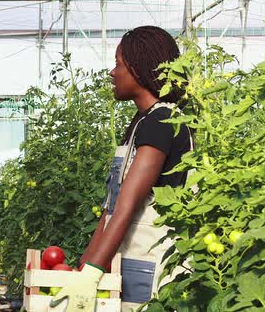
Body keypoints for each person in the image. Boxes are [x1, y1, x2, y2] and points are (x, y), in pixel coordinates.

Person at [50, 26, 193, 311]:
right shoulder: (143, 122)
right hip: (131, 262)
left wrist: (92, 272)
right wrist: (85, 266)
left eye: (118, 64)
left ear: (139, 69)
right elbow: (112, 207)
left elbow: (128, 203)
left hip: (153, 268)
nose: (112, 73)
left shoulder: (162, 121)